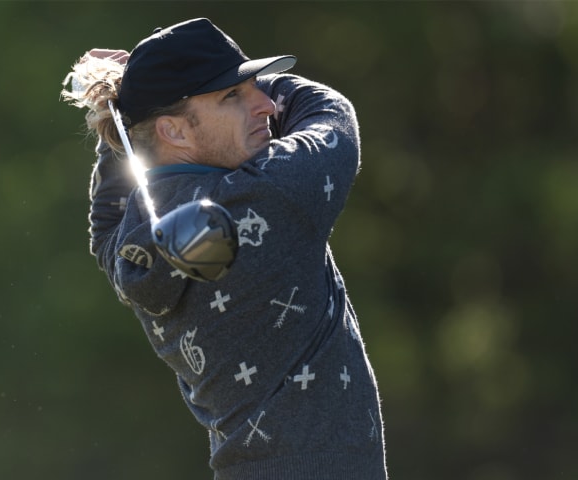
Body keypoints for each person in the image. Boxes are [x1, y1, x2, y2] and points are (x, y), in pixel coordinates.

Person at [61, 18, 388, 480]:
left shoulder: (126, 245)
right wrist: (130, 96)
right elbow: (330, 112)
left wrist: (127, 104)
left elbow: (107, 210)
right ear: (174, 131)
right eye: (233, 95)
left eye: (255, 87)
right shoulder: (273, 193)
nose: (267, 105)